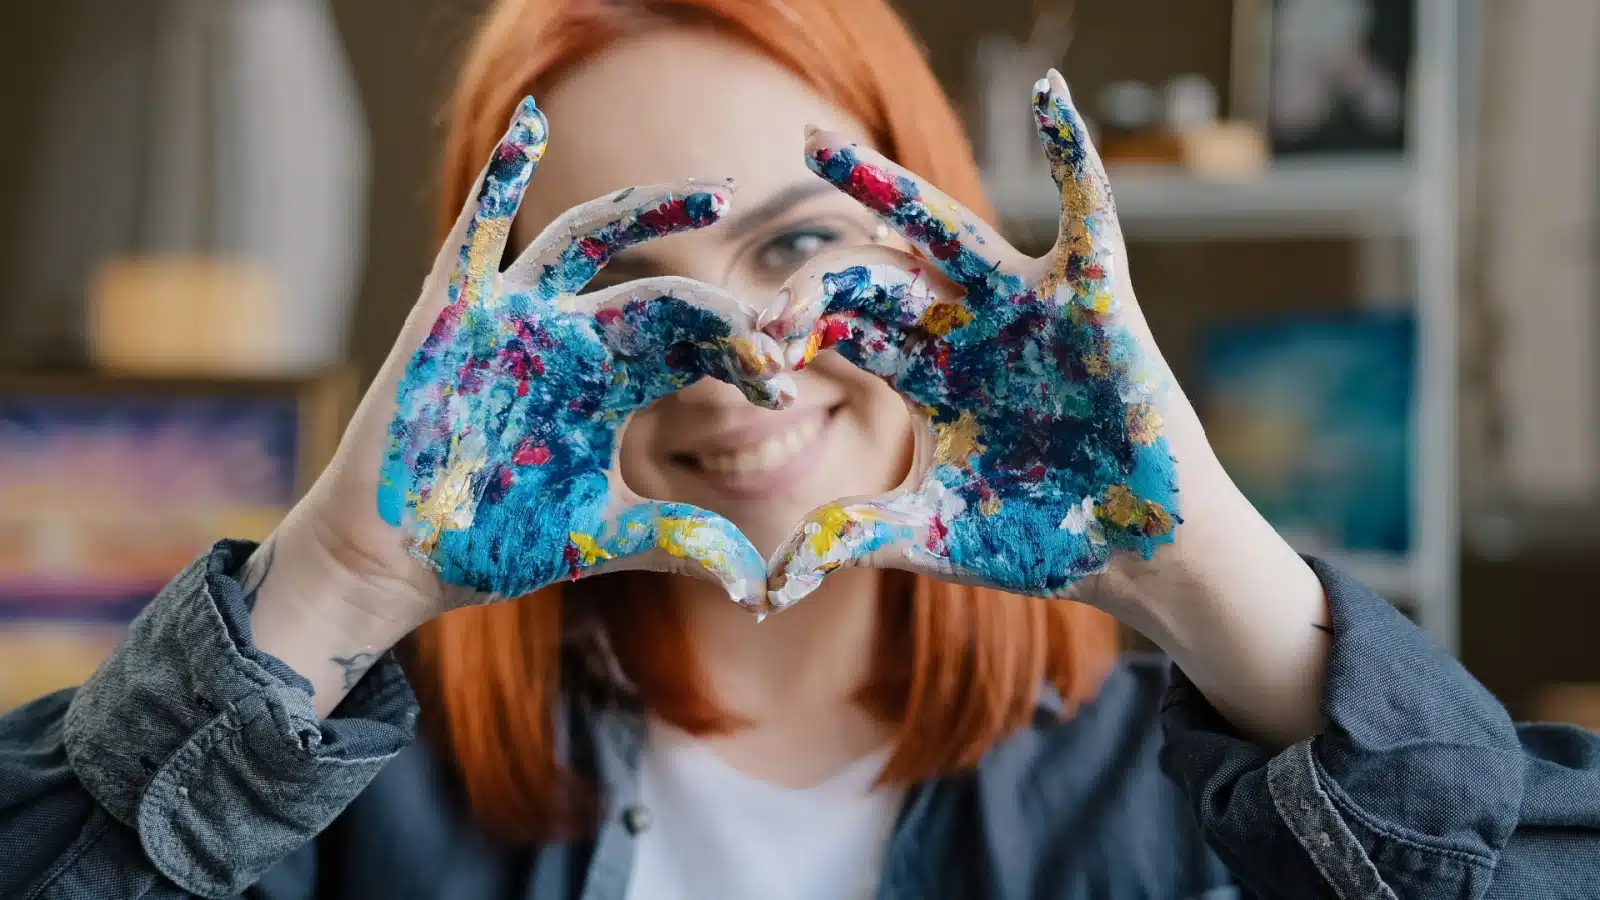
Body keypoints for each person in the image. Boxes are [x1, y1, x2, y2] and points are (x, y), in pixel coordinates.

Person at [3, 1, 1598, 898]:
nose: (734, 363)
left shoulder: (1188, 804)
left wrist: (1215, 578)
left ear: (941, 246)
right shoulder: (350, 810)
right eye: (622, 283)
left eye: (802, 247)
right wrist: (335, 582)